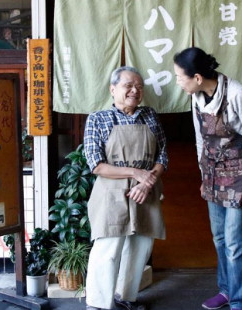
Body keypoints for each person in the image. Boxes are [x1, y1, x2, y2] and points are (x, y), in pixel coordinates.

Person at [173, 47, 242, 310]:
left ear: (197, 77)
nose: (178, 81)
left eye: (180, 77)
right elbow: (201, 139)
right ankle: (225, 290)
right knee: (219, 238)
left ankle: (239, 302)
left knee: (235, 243)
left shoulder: (236, 93)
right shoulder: (196, 97)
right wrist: (204, 176)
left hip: (237, 175)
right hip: (212, 173)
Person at [83, 66, 168, 310]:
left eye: (139, 87)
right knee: (108, 249)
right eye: (128, 86)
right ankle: (98, 304)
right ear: (113, 89)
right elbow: (96, 165)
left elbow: (163, 156)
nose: (134, 91)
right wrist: (136, 173)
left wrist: (146, 181)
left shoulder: (150, 115)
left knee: (140, 247)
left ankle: (126, 298)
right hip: (111, 193)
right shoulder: (98, 119)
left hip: (146, 191)